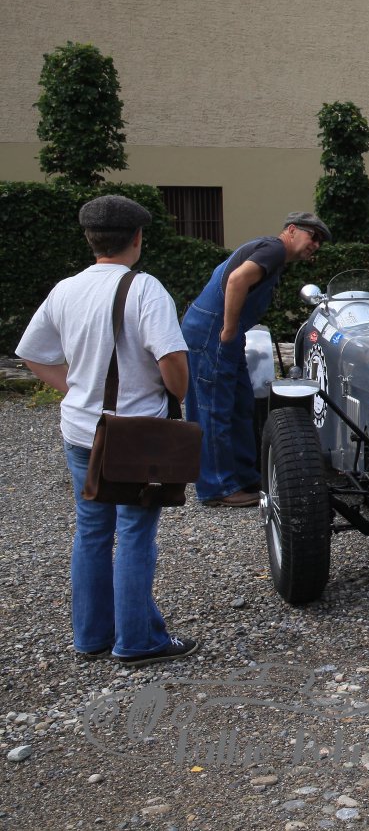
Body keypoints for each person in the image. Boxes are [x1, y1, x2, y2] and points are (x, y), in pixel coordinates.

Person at [17, 195, 199, 665]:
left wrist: (78, 388)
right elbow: (172, 360)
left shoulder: (66, 289)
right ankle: (137, 641)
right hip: (135, 434)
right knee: (135, 532)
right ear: (137, 238)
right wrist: (177, 392)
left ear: (89, 238)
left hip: (81, 429)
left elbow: (32, 353)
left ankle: (91, 636)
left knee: (92, 531)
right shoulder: (144, 288)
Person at [182, 211, 329, 507]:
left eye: (320, 242)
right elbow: (237, 280)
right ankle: (217, 487)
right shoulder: (273, 249)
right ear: (291, 230)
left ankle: (245, 476)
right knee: (214, 409)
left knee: (241, 404)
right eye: (312, 236)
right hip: (213, 333)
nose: (315, 244)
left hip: (223, 334)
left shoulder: (272, 254)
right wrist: (228, 329)